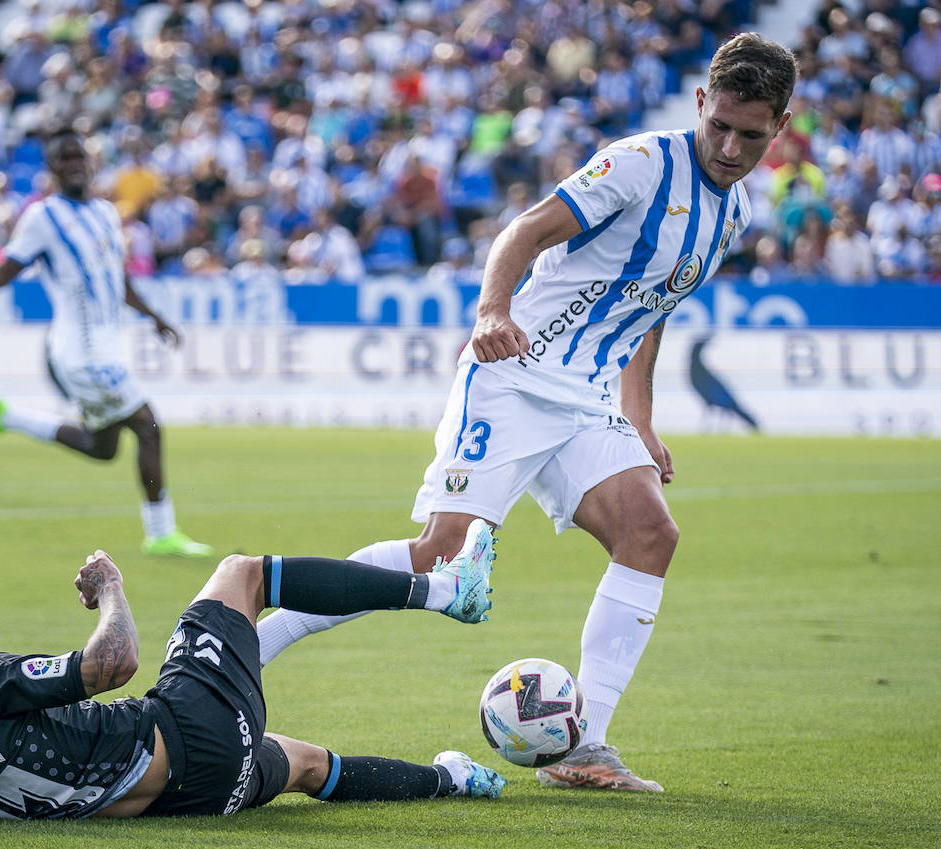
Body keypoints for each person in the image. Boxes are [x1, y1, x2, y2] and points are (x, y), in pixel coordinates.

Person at [256, 33, 798, 793]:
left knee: (650, 532)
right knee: (443, 559)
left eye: (753, 134)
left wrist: (639, 419)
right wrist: (489, 311)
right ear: (701, 103)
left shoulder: (732, 211)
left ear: (780, 124)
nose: (733, 148)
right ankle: (250, 642)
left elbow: (653, 308)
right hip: (513, 374)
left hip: (586, 402)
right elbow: (526, 230)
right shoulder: (643, 163)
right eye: (722, 127)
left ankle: (587, 747)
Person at [0, 523, 503, 818]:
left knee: (302, 765)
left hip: (193, 797)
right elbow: (111, 662)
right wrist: (111, 588)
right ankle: (447, 592)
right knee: (241, 575)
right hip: (187, 730)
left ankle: (456, 781)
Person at [0, 128, 211, 558]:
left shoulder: (106, 213)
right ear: (52, 169)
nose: (73, 164)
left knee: (102, 448)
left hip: (107, 348)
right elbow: (1, 274)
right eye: (63, 159)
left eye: (78, 156)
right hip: (80, 352)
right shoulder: (42, 218)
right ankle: (161, 531)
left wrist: (155, 316)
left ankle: (8, 415)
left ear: (90, 162)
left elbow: (117, 279)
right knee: (148, 425)